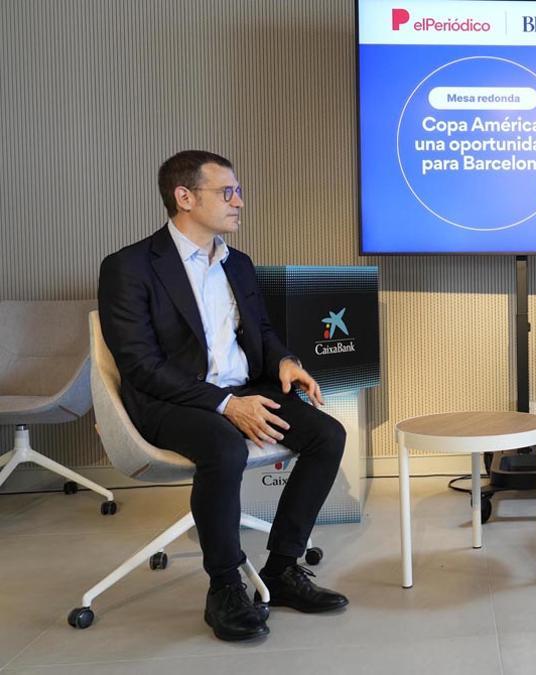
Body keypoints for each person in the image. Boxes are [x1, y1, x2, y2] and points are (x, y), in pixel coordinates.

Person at [98, 150, 349, 642]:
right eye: (226, 192)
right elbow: (140, 366)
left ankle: (281, 567)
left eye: (238, 191)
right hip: (170, 401)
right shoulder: (129, 267)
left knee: (326, 434)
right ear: (185, 197)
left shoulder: (238, 263)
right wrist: (226, 405)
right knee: (224, 445)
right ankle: (225, 585)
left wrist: (284, 362)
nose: (240, 202)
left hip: (242, 389)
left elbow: (258, 331)